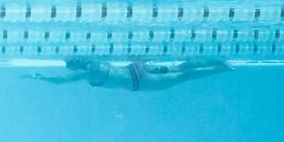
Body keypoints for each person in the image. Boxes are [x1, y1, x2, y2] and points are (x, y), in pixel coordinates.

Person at [27, 57, 233, 92]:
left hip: (137, 75)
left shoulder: (90, 68)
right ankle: (220, 66)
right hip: (140, 76)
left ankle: (221, 65)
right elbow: (61, 81)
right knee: (181, 73)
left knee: (182, 71)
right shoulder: (88, 71)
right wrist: (41, 77)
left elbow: (62, 80)